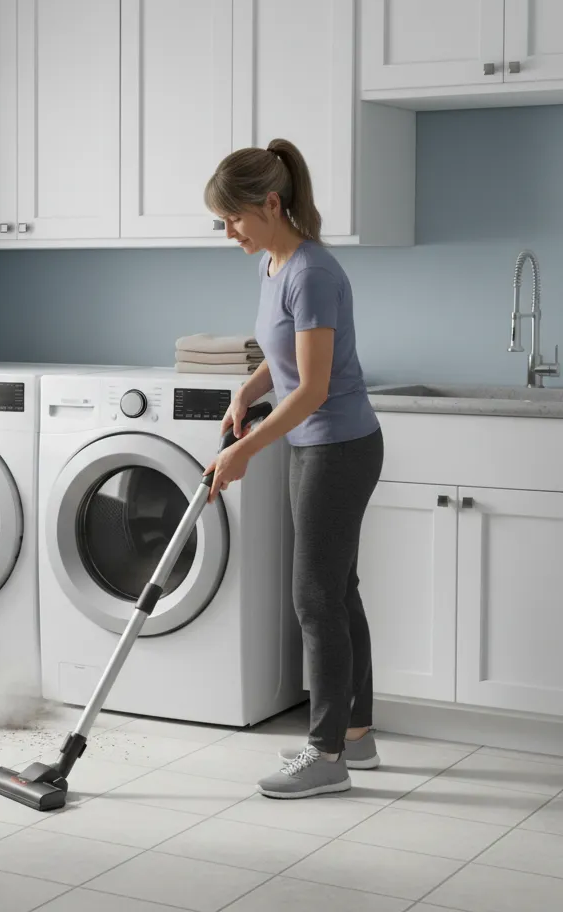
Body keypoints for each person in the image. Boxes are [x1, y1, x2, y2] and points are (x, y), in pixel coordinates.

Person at [201, 138, 384, 800]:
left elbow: (310, 388)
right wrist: (248, 392)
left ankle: (325, 752)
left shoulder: (313, 272)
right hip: (317, 444)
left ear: (270, 204)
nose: (229, 233)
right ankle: (354, 737)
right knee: (336, 590)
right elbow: (284, 359)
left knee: (313, 596)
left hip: (338, 445)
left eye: (234, 219)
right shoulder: (275, 266)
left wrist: (244, 450)